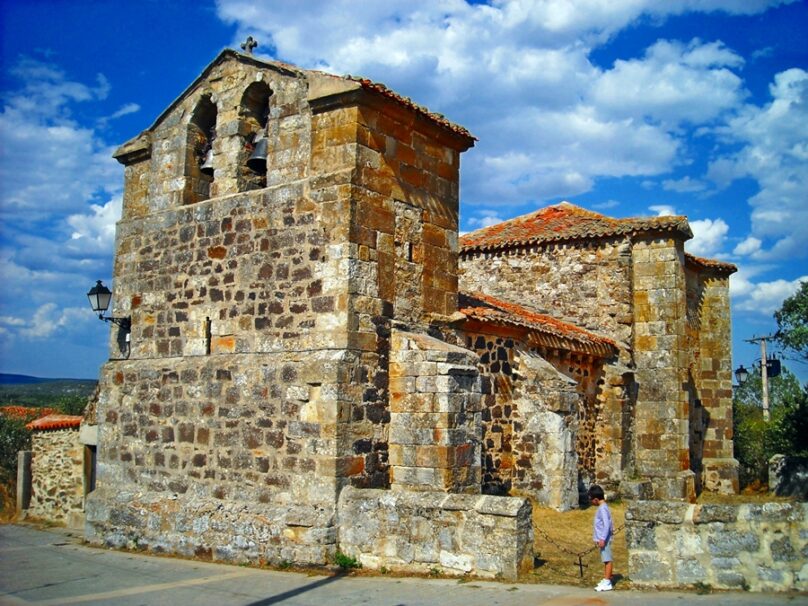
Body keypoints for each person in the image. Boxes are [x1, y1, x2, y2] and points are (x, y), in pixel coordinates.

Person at [589, 484, 614, 591]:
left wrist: (602, 538)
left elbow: (607, 524)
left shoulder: (603, 508)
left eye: (591, 499)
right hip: (602, 539)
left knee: (607, 559)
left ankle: (608, 582)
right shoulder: (602, 507)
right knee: (605, 559)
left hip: (604, 539)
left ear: (595, 499)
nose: (590, 501)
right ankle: (606, 578)